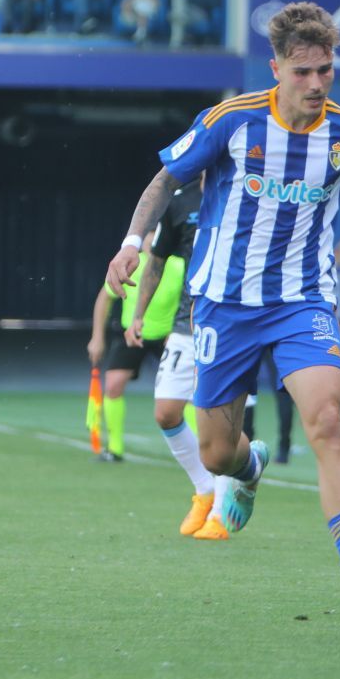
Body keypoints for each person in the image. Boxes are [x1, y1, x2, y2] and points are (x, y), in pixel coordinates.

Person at [105, 1, 340, 615]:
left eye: (326, 72)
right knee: (216, 454)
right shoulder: (232, 120)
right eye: (303, 71)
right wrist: (130, 245)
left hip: (301, 301)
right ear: (276, 66)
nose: (316, 84)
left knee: (327, 422)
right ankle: (249, 467)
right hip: (224, 305)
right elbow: (165, 180)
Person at [125, 177, 235, 540]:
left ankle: (220, 513)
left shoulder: (244, 193)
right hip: (186, 322)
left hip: (231, 324)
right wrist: (139, 313)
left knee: (218, 418)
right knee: (166, 412)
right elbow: (155, 260)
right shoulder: (178, 202)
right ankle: (204, 490)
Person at [87, 232, 184, 462]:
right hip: (133, 334)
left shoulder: (179, 266)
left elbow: (192, 301)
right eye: (150, 238)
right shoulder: (130, 264)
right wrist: (96, 337)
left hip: (168, 336)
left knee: (187, 394)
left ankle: (201, 451)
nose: (153, 243)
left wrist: (179, 331)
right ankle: (115, 448)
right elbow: (104, 297)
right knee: (113, 384)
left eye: (159, 238)